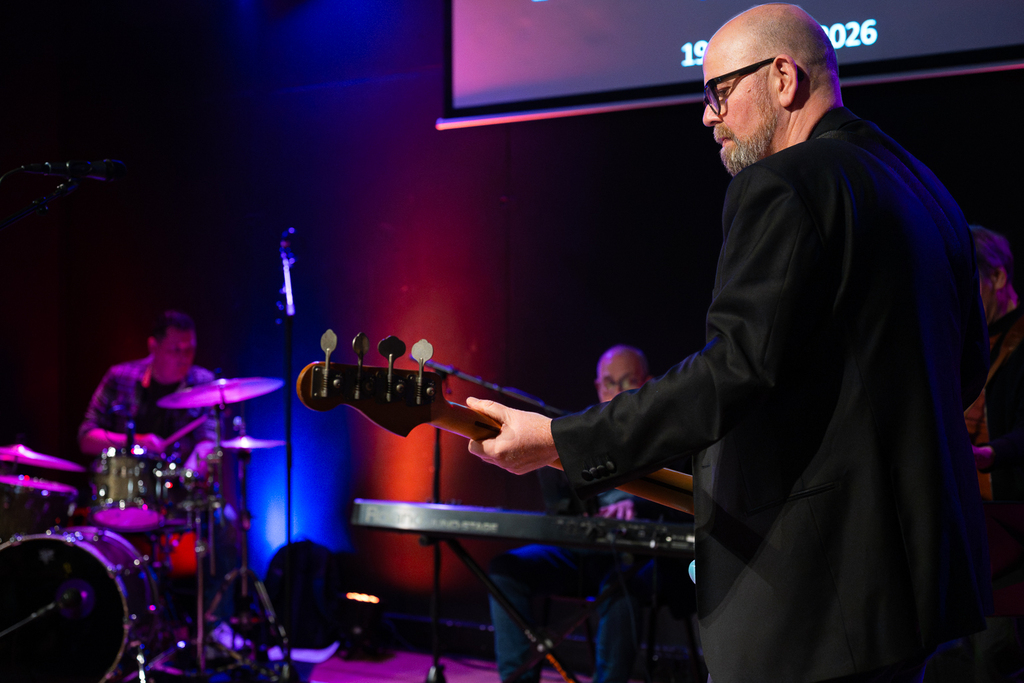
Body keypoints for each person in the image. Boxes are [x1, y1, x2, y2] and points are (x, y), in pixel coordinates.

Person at [465, 5, 992, 683]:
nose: (707, 116)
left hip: (814, 597)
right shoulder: (928, 192)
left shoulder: (783, 182)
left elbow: (734, 369)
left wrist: (560, 440)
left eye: (718, 91)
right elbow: (965, 370)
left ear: (783, 78)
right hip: (920, 585)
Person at [489, 345, 694, 683]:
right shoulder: (582, 432)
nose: (617, 391)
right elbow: (559, 508)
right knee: (506, 571)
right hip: (586, 550)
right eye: (610, 383)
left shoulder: (668, 433)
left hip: (643, 557)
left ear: (647, 382)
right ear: (599, 387)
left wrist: (638, 507)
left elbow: (689, 501)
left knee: (620, 586)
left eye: (627, 381)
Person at [79, 310, 217, 462]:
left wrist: (190, 472)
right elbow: (86, 438)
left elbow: (208, 442)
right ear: (153, 346)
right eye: (176, 350)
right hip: (124, 474)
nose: (185, 358)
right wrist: (136, 441)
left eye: (189, 350)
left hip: (179, 475)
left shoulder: (203, 383)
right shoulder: (120, 377)